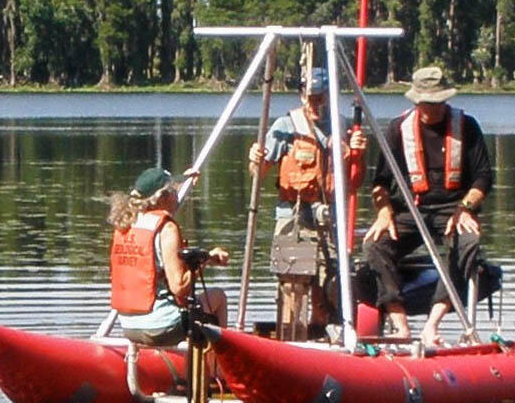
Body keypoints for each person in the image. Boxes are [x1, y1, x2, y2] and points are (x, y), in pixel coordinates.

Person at [363, 66, 493, 348]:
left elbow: (483, 177)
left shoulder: (467, 127)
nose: (429, 109)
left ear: (445, 101)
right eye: (423, 103)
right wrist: (384, 211)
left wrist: (466, 207)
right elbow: (380, 181)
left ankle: (432, 325)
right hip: (410, 210)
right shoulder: (398, 129)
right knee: (374, 245)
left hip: (452, 210)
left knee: (467, 243)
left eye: (435, 103)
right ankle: (400, 325)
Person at [248, 66, 366, 336]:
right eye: (311, 96)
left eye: (321, 96)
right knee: (293, 283)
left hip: (330, 218)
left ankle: (327, 334)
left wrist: (358, 154)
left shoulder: (345, 127)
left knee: (334, 284)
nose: (316, 103)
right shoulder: (285, 127)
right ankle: (292, 336)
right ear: (302, 95)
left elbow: (354, 183)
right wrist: (256, 159)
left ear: (329, 96)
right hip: (294, 216)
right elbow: (259, 172)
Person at [108, 166, 229, 345]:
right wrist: (204, 261)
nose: (176, 194)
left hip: (128, 326)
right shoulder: (167, 229)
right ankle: (216, 367)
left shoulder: (126, 221)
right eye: (172, 190)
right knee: (218, 297)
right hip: (162, 326)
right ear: (162, 197)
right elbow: (180, 286)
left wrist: (186, 182)